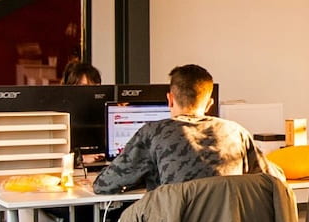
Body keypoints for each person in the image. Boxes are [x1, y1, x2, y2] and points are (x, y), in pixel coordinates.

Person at [94, 63, 266, 192]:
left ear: (169, 99)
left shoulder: (153, 132)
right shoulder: (237, 132)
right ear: (209, 105)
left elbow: (103, 185)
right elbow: (273, 178)